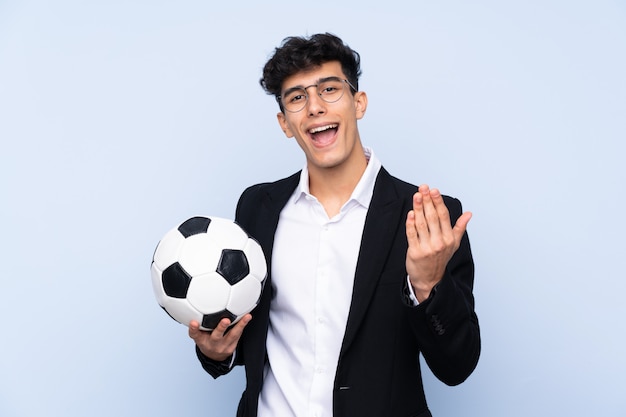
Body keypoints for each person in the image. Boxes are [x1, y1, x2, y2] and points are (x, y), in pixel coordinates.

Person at [188, 33, 480, 417]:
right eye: (297, 97)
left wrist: (427, 285)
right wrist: (214, 352)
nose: (314, 107)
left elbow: (457, 366)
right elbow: (248, 335)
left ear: (359, 103)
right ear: (285, 123)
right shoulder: (258, 207)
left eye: (329, 89)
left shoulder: (428, 217)